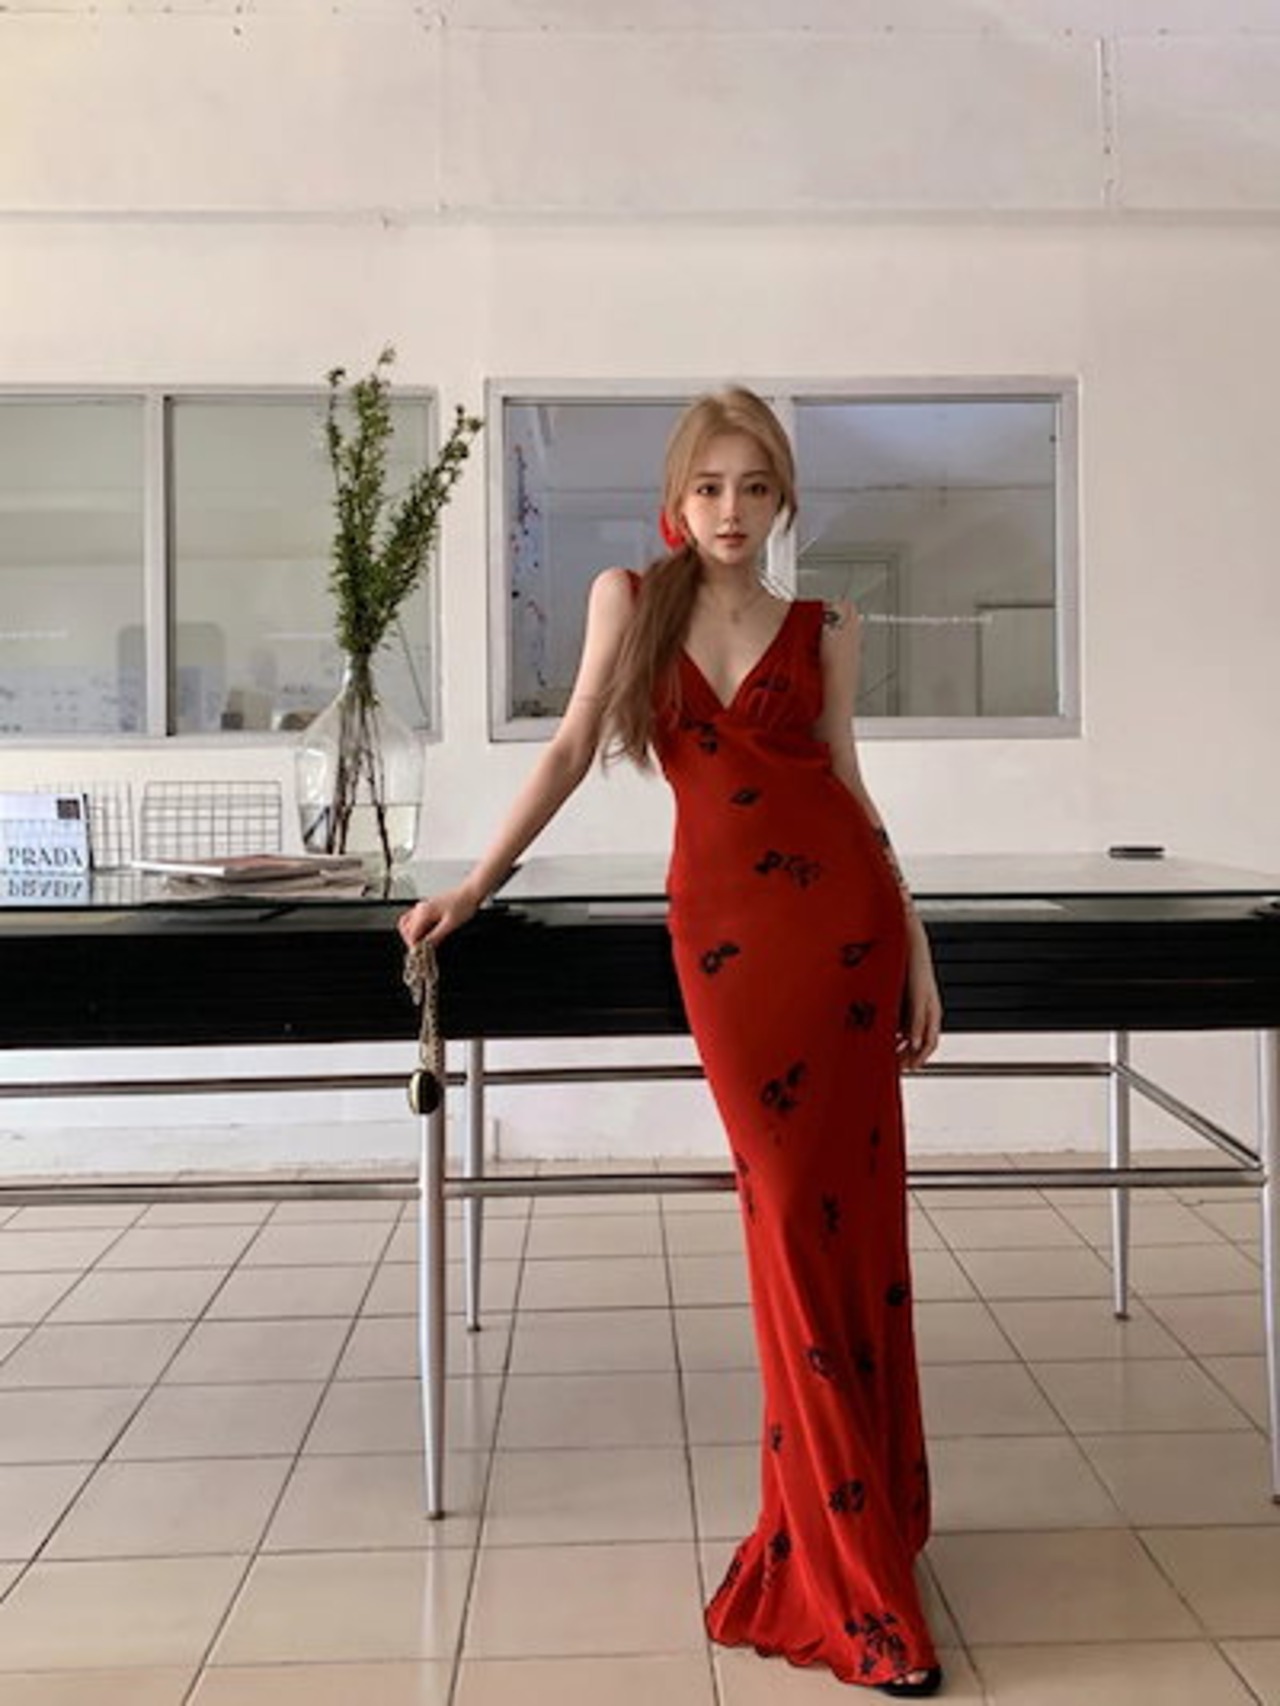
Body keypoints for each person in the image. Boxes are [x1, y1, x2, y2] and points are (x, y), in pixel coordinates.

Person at [398, 386, 944, 1696]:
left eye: (755, 487)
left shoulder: (829, 627)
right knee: (789, 1217)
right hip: (730, 948)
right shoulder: (629, 603)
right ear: (675, 498)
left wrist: (918, 945)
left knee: (846, 1228)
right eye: (710, 487)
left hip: (847, 935)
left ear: (784, 497)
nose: (731, 510)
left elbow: (850, 785)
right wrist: (474, 885)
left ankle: (858, 1533)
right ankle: (843, 1556)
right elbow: (571, 748)